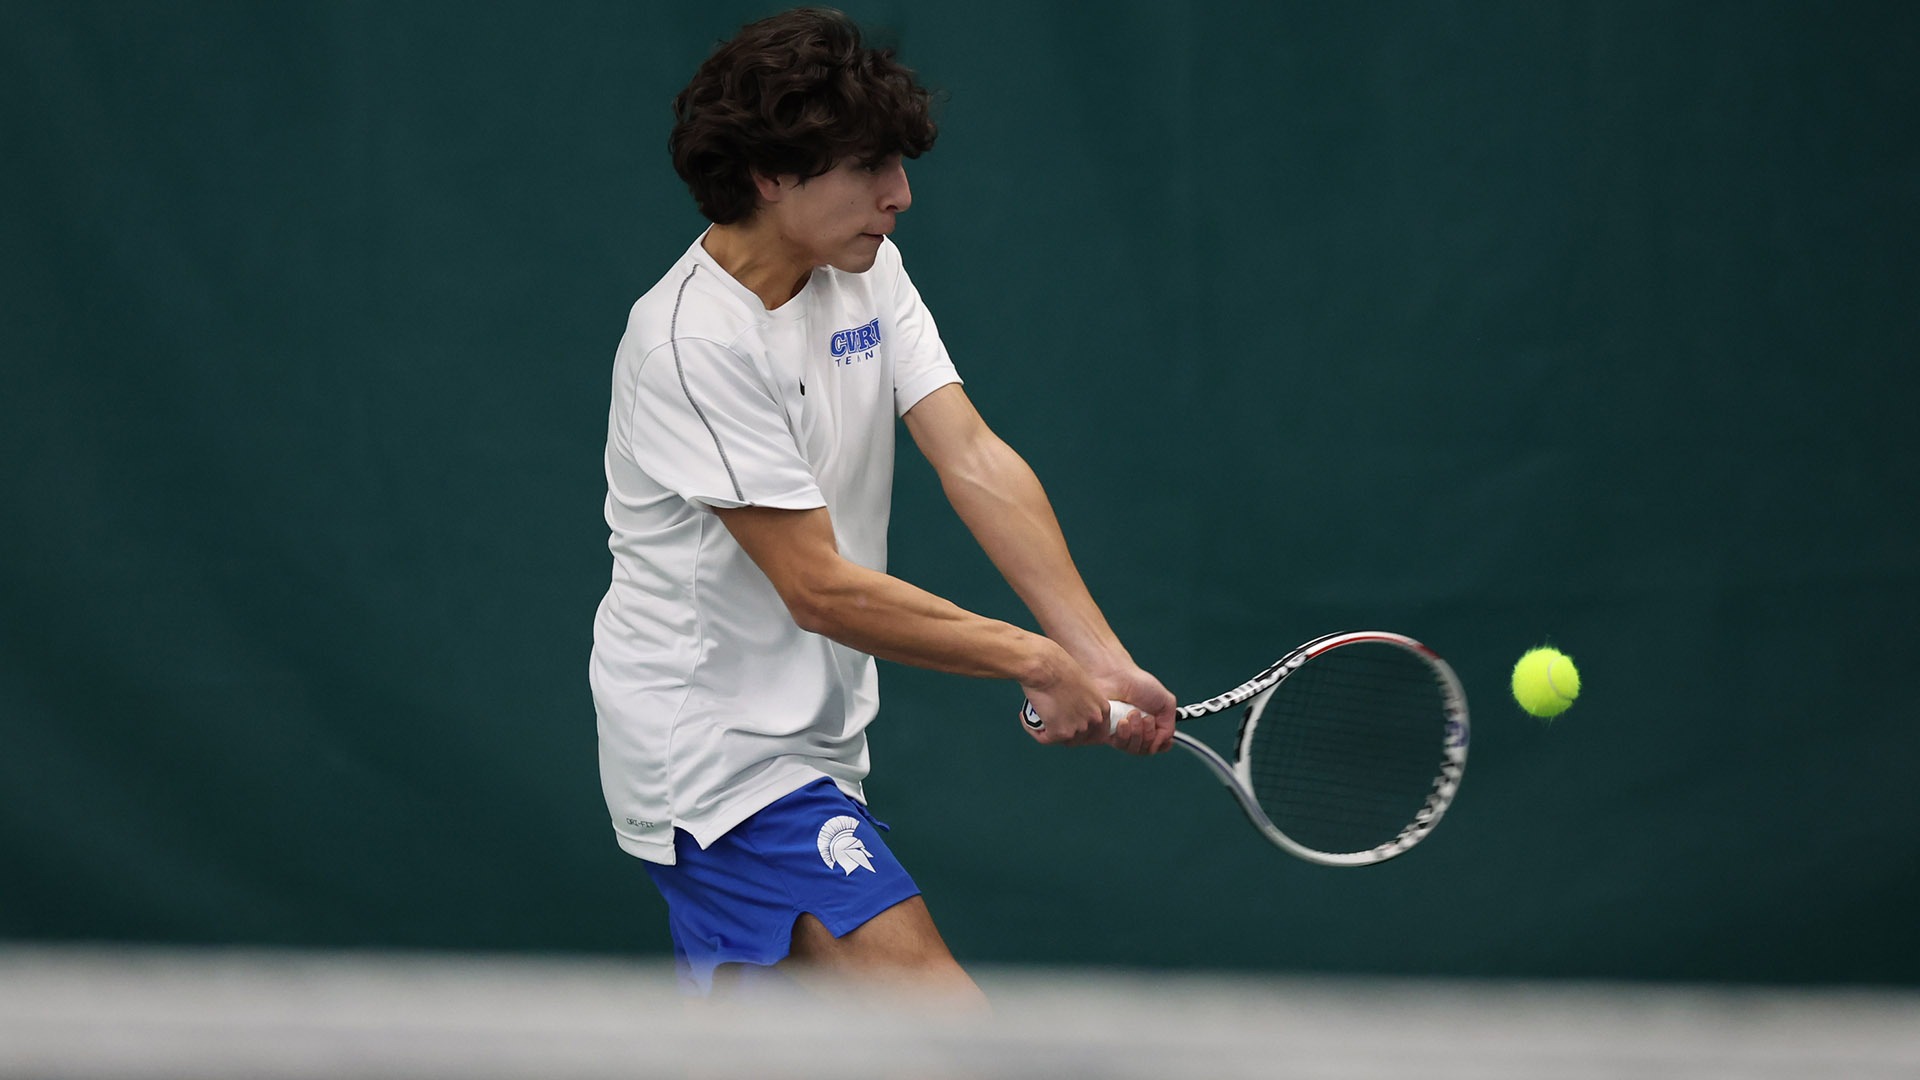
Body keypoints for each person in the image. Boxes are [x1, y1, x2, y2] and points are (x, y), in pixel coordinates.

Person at [589, 7, 1176, 1004]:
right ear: (773, 176)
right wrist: (1034, 660)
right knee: (953, 1040)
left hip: (813, 747)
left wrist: (1098, 652)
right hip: (722, 769)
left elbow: (975, 456)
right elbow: (817, 588)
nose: (899, 196)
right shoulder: (691, 344)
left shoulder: (865, 270)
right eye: (868, 168)